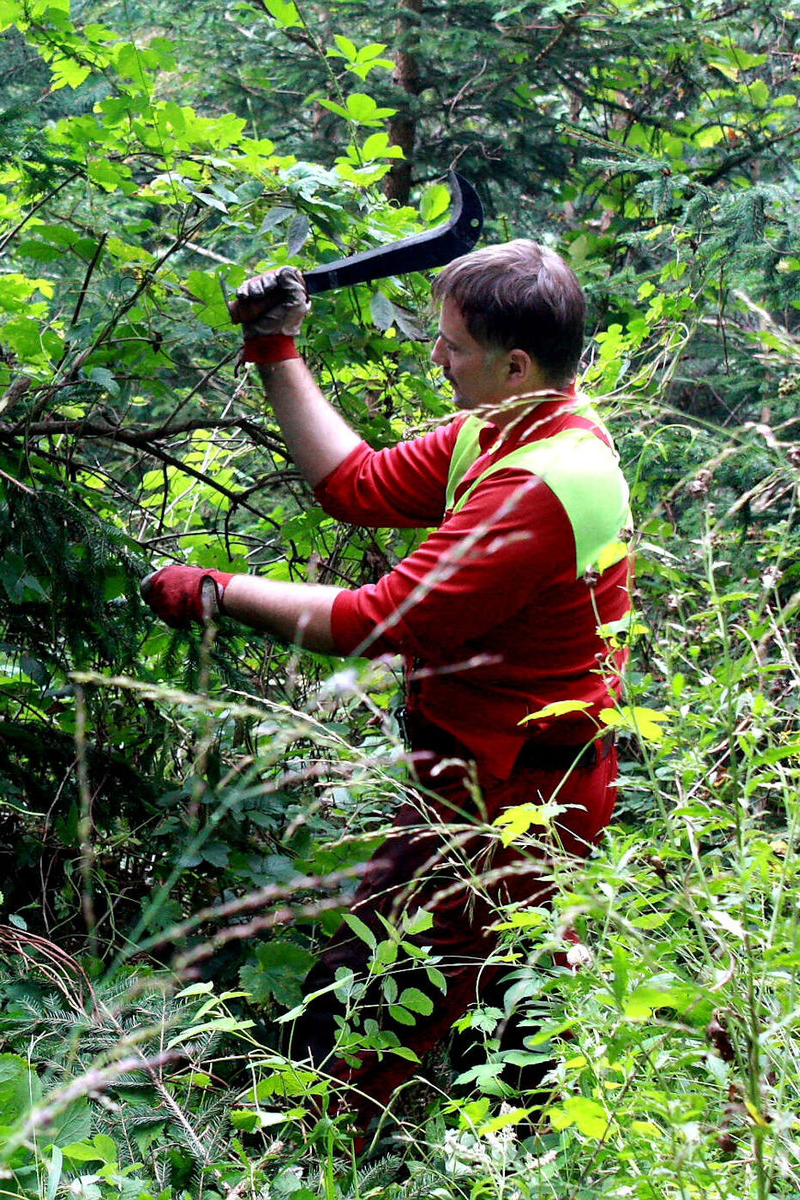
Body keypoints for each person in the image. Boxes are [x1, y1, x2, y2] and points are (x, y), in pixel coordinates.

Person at [141, 240, 634, 1137]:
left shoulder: (542, 483)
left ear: (514, 363)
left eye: (451, 345)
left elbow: (376, 620)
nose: (435, 359)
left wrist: (219, 592)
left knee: (363, 1006)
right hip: (499, 779)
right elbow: (355, 483)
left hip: (515, 795)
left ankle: (307, 1155)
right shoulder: (515, 426)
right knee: (514, 1009)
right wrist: (277, 350)